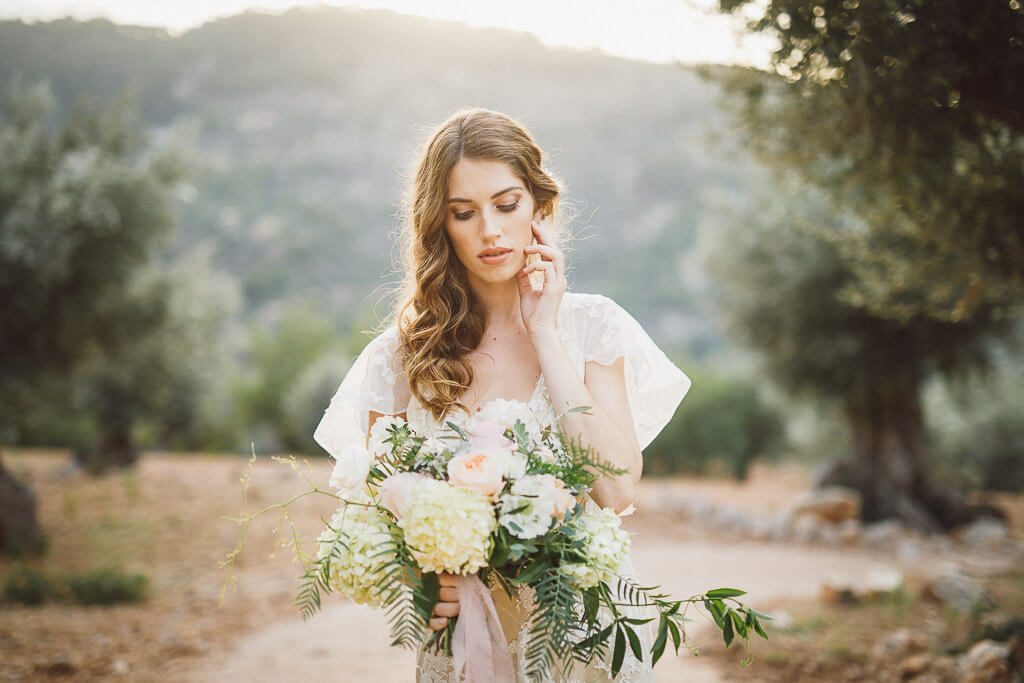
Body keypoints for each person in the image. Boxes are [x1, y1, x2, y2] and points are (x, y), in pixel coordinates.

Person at [312, 107, 691, 682]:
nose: (489, 230)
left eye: (506, 204)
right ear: (440, 225)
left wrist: (545, 332)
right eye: (464, 213)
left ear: (538, 206)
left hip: (581, 637)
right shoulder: (403, 354)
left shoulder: (592, 327)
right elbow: (377, 515)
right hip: (462, 644)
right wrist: (419, 584)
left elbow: (614, 489)